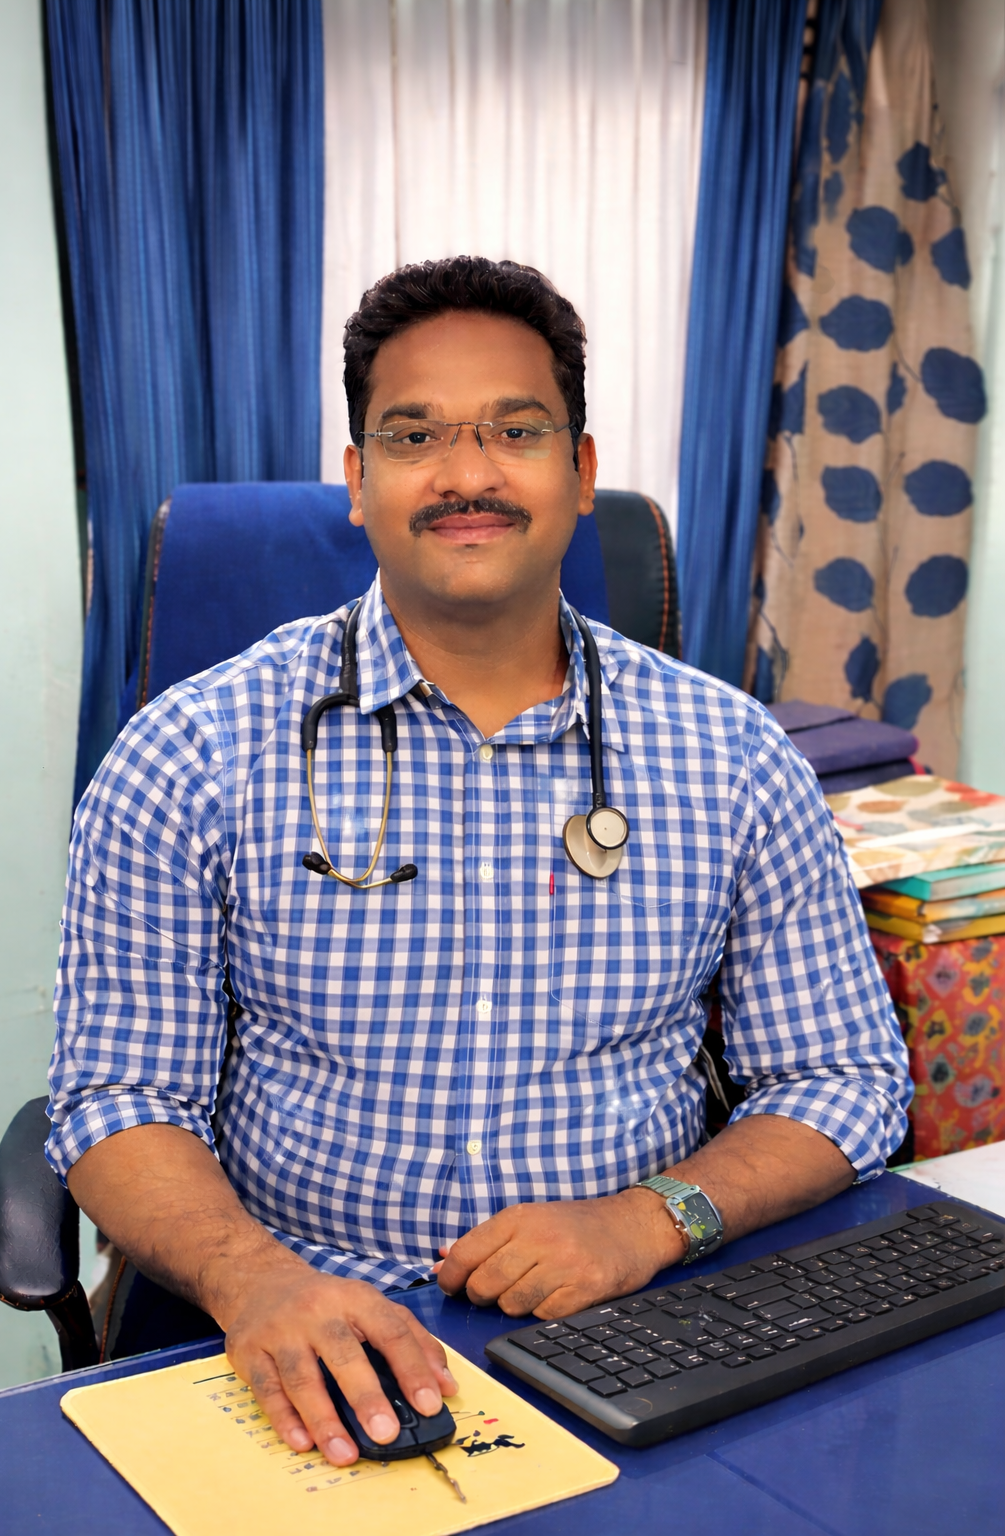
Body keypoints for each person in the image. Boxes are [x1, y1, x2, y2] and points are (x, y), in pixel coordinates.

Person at [48, 256, 910, 1468]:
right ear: (358, 482)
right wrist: (256, 1282)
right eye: (414, 436)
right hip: (288, 1322)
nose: (466, 474)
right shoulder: (192, 750)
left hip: (633, 1323)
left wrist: (649, 1219)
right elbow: (117, 1097)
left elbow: (841, 1076)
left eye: (515, 429)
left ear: (580, 472)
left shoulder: (729, 756)